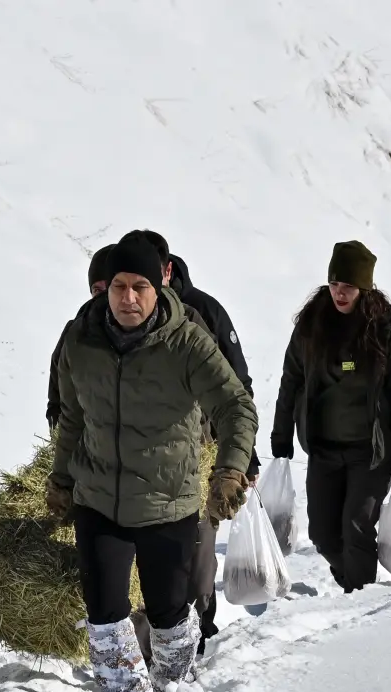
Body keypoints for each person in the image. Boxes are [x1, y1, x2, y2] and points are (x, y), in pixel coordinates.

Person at [46, 234, 258, 692]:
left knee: (167, 612)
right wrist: (59, 479)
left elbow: (235, 408)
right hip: (99, 497)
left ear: (158, 285)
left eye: (139, 286)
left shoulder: (186, 341)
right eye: (119, 286)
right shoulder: (81, 339)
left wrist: (230, 469)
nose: (128, 297)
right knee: (104, 611)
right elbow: (72, 415)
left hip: (167, 500)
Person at [129, 229, 261, 653]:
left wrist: (242, 459)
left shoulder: (201, 313)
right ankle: (153, 647)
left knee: (197, 558)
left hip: (198, 457)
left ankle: (199, 625)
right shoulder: (115, 321)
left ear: (166, 270)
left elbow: (235, 389)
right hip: (136, 470)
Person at [271, 240, 391, 593]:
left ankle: (359, 602)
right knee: (322, 534)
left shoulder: (387, 328)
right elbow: (292, 378)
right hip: (323, 448)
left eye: (348, 287)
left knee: (357, 527)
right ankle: (356, 583)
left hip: (371, 451)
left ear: (364, 287)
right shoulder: (312, 324)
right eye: (335, 284)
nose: (339, 293)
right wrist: (281, 432)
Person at [47, 244, 113, 432]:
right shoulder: (75, 331)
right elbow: (56, 390)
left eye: (110, 288)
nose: (104, 298)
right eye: (97, 290)